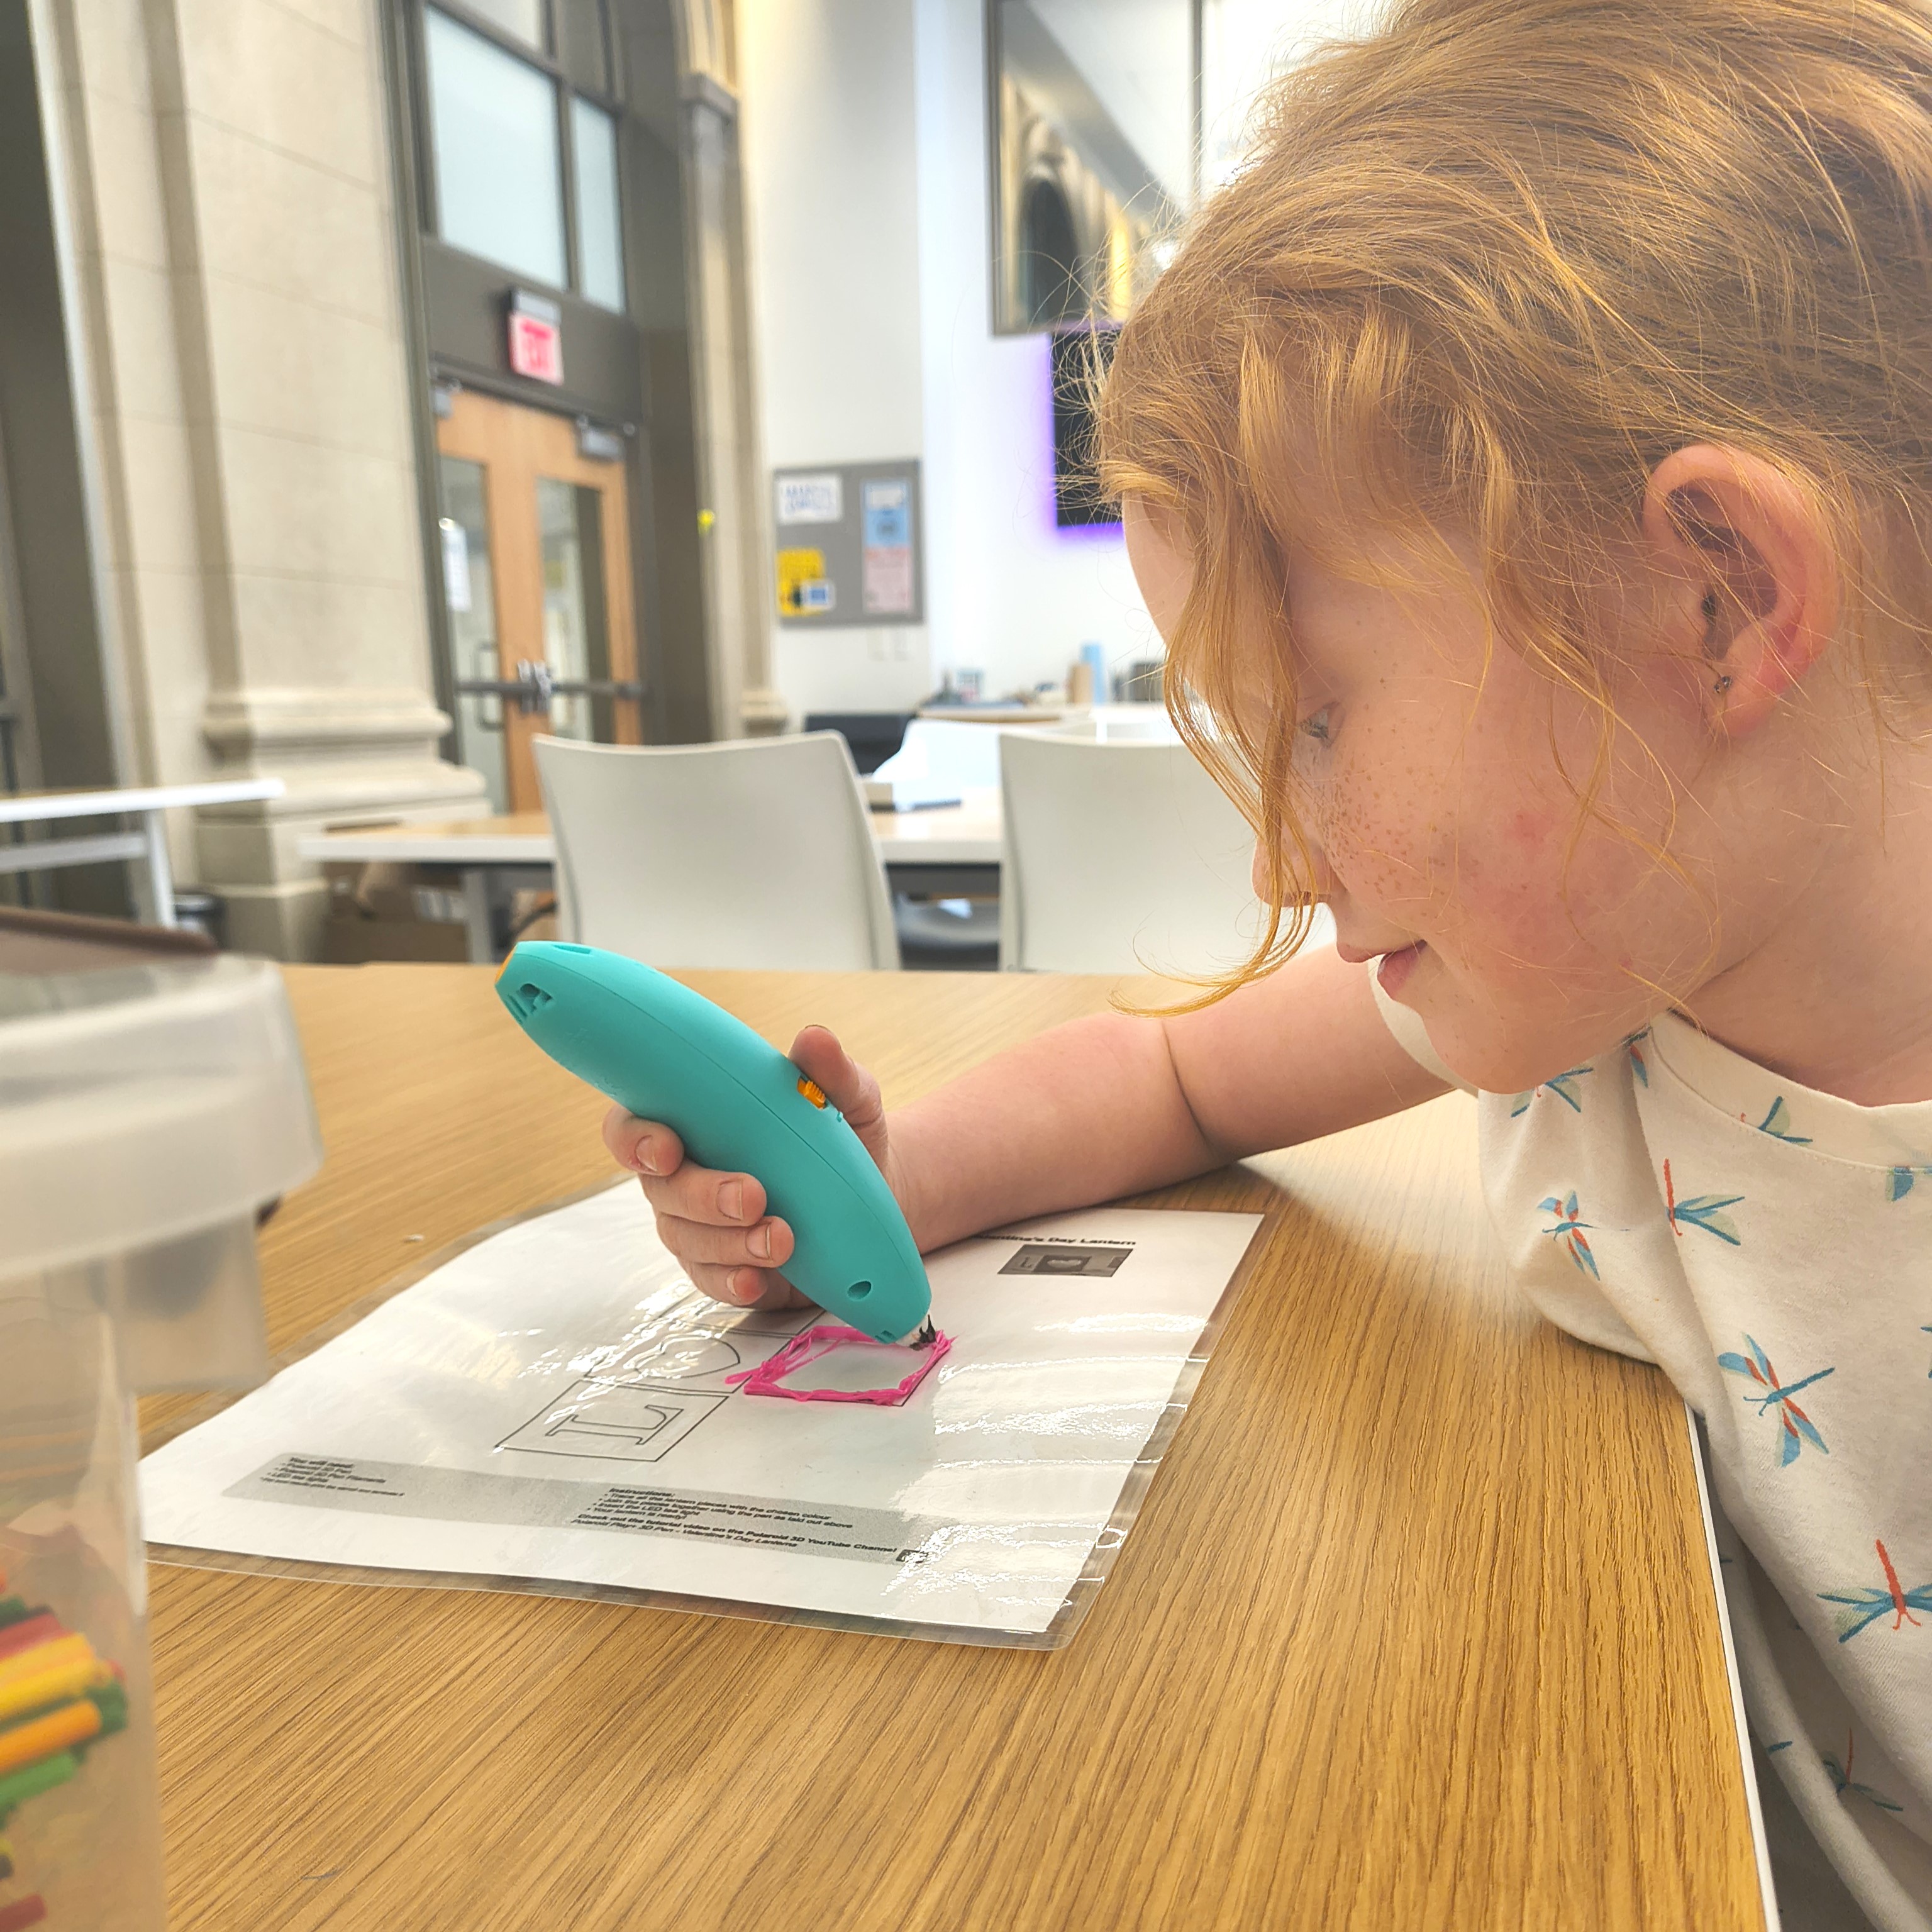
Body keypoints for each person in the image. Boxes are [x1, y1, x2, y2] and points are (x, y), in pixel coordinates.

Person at [609, 2, 1931, 1923]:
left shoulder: (1599, 945)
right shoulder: (1612, 974)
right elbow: (1172, 1073)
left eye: (1317, 719)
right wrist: (879, 1184)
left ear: (1715, 597)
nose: (1279, 860)